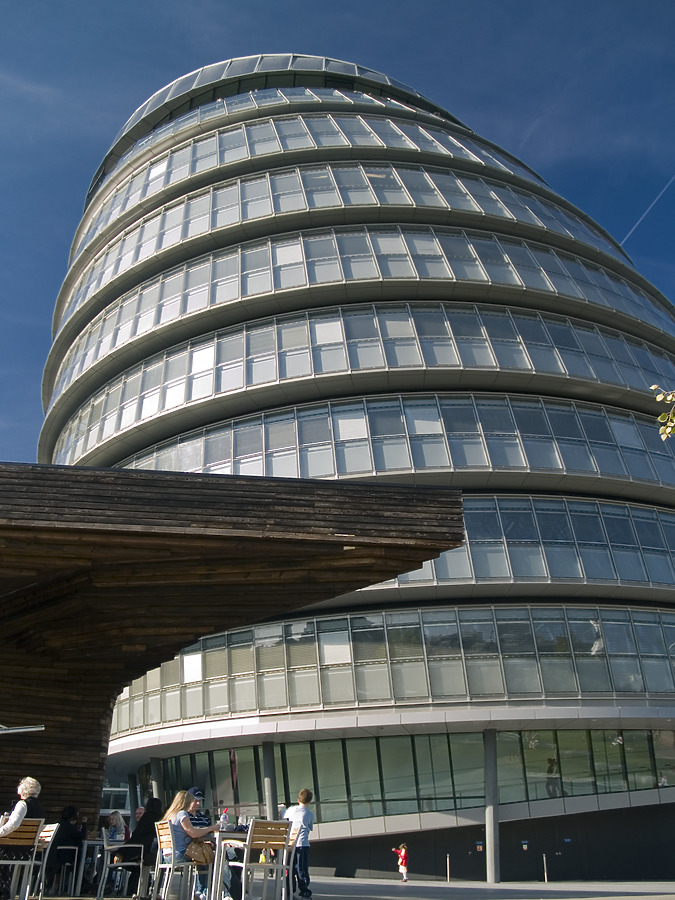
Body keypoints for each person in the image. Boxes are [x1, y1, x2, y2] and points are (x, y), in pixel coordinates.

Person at [0, 777, 45, 900]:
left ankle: (4, 892)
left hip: (12, 851)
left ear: (23, 789)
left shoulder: (22, 804)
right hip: (27, 851)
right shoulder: (40, 808)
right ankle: (4, 892)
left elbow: (13, 824)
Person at [114, 797, 163, 896]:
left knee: (109, 858)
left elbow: (136, 837)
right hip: (151, 853)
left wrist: (120, 851)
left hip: (138, 853)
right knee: (140, 869)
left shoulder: (146, 819)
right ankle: (146, 890)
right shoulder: (160, 819)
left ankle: (102, 885)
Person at [45, 805, 87, 891]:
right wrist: (84, 823)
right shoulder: (68, 826)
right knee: (79, 858)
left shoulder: (56, 824)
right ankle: (79, 885)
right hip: (64, 856)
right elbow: (81, 836)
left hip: (51, 854)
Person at [284, 789, 314, 899]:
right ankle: (304, 889)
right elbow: (309, 828)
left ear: (298, 800)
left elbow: (284, 817)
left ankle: (289, 889)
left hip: (291, 844)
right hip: (303, 844)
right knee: (302, 868)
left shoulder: (291, 810)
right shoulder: (310, 814)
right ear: (310, 801)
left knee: (290, 867)